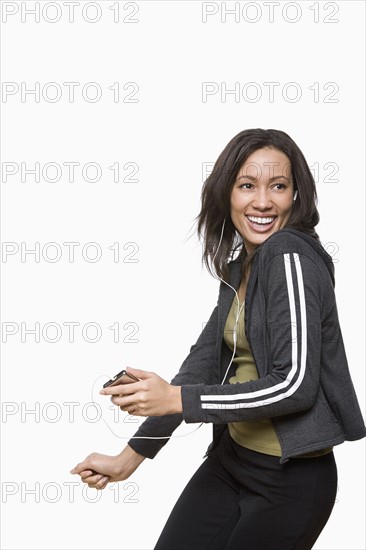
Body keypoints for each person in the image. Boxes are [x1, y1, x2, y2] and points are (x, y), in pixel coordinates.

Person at [70, 129, 366, 549]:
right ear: (226, 193)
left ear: (296, 196)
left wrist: (178, 400)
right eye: (247, 185)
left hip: (291, 482)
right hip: (232, 463)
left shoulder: (290, 257)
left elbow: (295, 384)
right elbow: (204, 364)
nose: (262, 202)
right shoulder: (241, 268)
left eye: (278, 187)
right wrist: (130, 456)